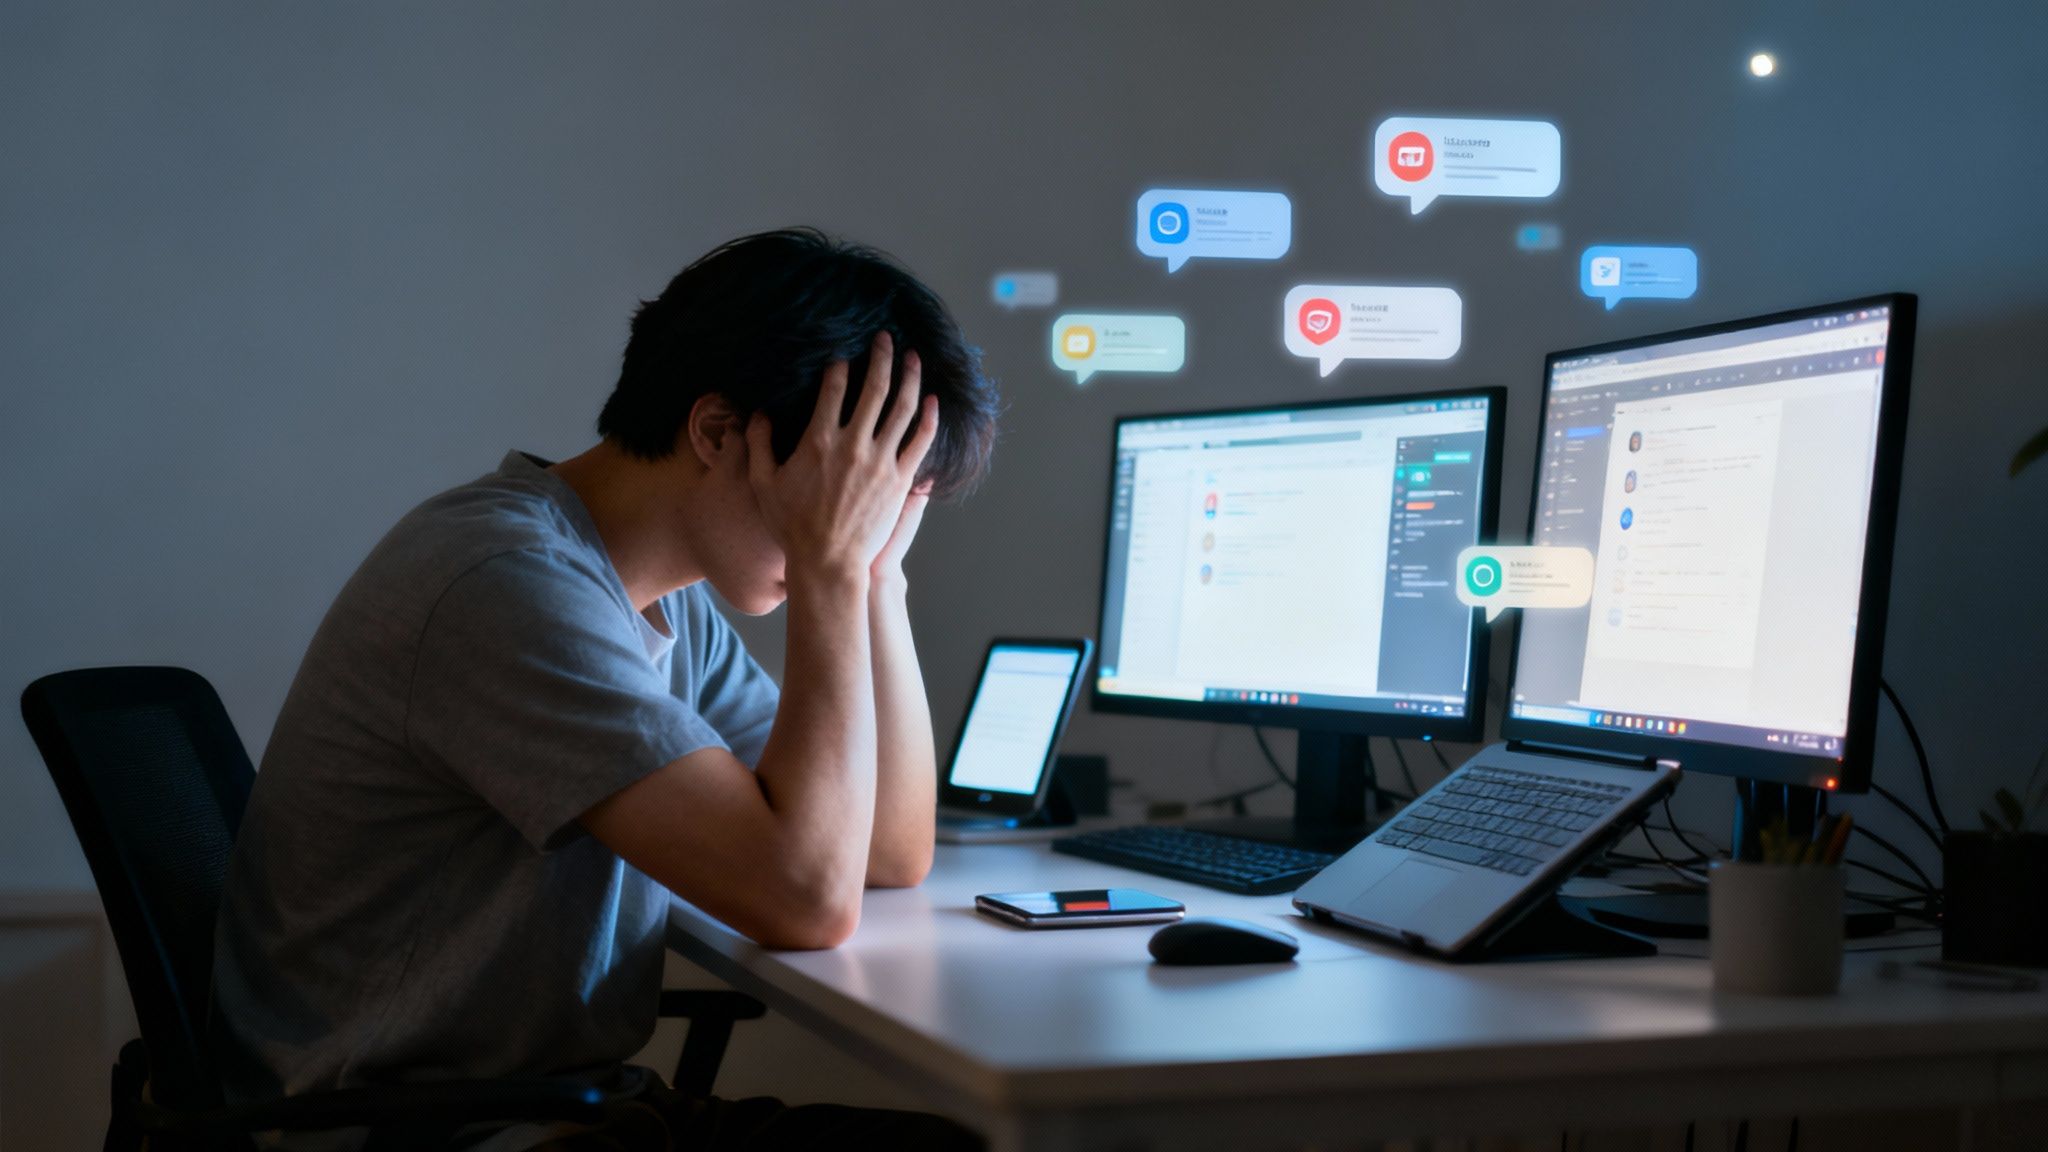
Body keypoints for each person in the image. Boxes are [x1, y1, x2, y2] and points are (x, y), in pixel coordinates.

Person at [210, 229, 1000, 1150]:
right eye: (842, 493)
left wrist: (873, 580)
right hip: (422, 1133)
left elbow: (885, 853)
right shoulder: (504, 582)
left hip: (552, 1111)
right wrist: (825, 569)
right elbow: (805, 901)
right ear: (715, 432)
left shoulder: (661, 597)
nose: (854, 527)